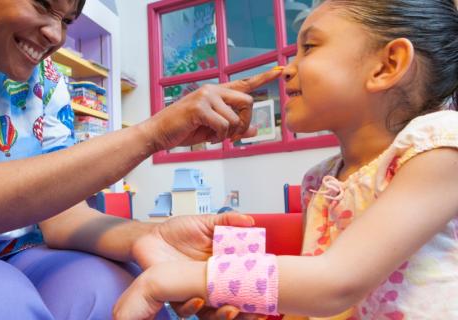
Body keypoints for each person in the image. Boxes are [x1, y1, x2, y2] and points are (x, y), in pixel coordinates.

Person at [0, 0, 283, 319]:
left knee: (113, 287)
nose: (55, 35)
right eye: (42, 5)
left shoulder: (45, 80)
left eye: (66, 20)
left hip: (17, 255)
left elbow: (62, 215)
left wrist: (148, 237)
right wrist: (154, 133)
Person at [113, 0, 458, 319]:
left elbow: (337, 281)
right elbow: (311, 301)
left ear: (387, 65)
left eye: (309, 47)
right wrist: (257, 296)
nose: (287, 69)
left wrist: (170, 279)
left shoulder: (438, 148)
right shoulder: (320, 179)